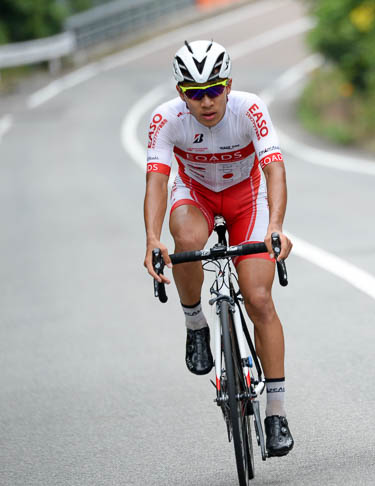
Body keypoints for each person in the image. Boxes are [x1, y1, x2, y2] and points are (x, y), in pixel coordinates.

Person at [143, 40, 293, 456]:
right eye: (195, 93)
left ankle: (276, 412)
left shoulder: (250, 109)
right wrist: (153, 239)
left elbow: (274, 169)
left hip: (248, 199)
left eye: (215, 89)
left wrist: (276, 226)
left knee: (258, 298)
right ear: (180, 94)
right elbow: (157, 182)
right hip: (196, 195)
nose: (207, 101)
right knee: (186, 242)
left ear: (229, 85)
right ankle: (196, 324)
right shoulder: (165, 119)